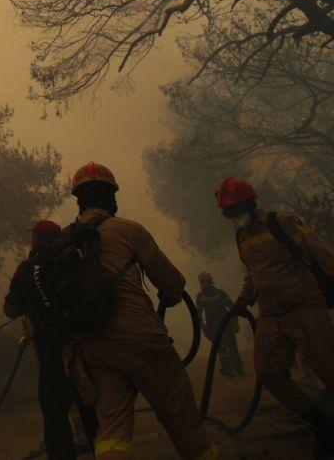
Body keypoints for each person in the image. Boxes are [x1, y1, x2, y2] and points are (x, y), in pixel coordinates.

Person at [67, 162, 217, 460]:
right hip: (141, 338)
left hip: (94, 347)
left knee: (111, 427)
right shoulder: (129, 230)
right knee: (179, 414)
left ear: (79, 200)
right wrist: (170, 295)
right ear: (111, 197)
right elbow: (171, 283)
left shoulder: (65, 239)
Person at [216, 177, 334, 458]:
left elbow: (324, 254)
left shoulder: (281, 222)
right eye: (229, 214)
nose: (235, 217)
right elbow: (254, 273)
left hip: (305, 308)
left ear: (251, 204)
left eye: (237, 211)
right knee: (269, 373)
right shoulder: (240, 236)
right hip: (270, 315)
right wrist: (244, 299)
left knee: (330, 372)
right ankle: (323, 423)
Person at [4, 220, 98, 460]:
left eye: (32, 236)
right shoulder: (72, 259)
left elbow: (10, 309)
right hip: (82, 345)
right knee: (91, 407)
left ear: (36, 239)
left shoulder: (27, 269)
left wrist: (30, 299)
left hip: (51, 353)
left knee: (55, 415)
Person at [195, 271, 246, 377]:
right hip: (213, 328)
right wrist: (204, 328)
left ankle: (239, 370)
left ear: (210, 282)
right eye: (202, 282)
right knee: (222, 350)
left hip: (226, 325)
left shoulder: (221, 293)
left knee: (233, 348)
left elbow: (232, 308)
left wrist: (235, 322)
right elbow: (198, 314)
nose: (203, 285)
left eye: (205, 282)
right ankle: (228, 370)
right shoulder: (200, 297)